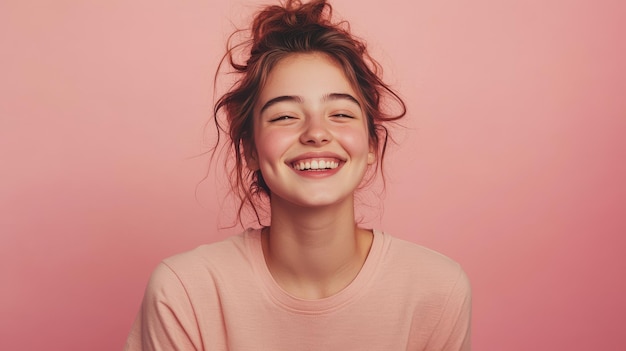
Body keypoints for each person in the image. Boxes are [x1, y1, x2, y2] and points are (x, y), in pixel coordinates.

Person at [124, 0, 471, 350]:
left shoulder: (437, 289)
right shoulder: (184, 291)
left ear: (370, 145)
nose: (316, 133)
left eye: (340, 114)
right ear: (250, 150)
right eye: (285, 116)